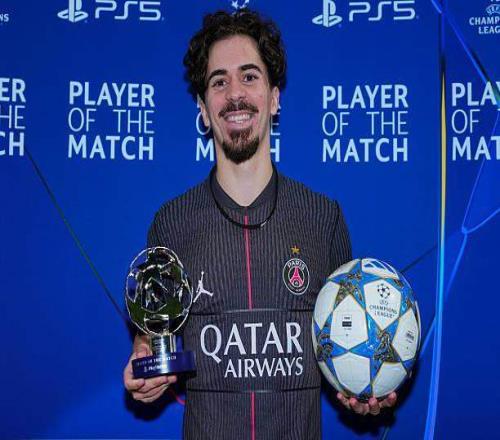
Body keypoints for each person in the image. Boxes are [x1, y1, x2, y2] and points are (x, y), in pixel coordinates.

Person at [123, 8, 397, 439]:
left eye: (249, 76)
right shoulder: (171, 223)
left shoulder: (323, 218)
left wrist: (362, 384)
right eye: (219, 81)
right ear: (203, 107)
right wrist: (145, 360)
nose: (235, 94)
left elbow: (347, 337)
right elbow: (153, 334)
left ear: (274, 98)